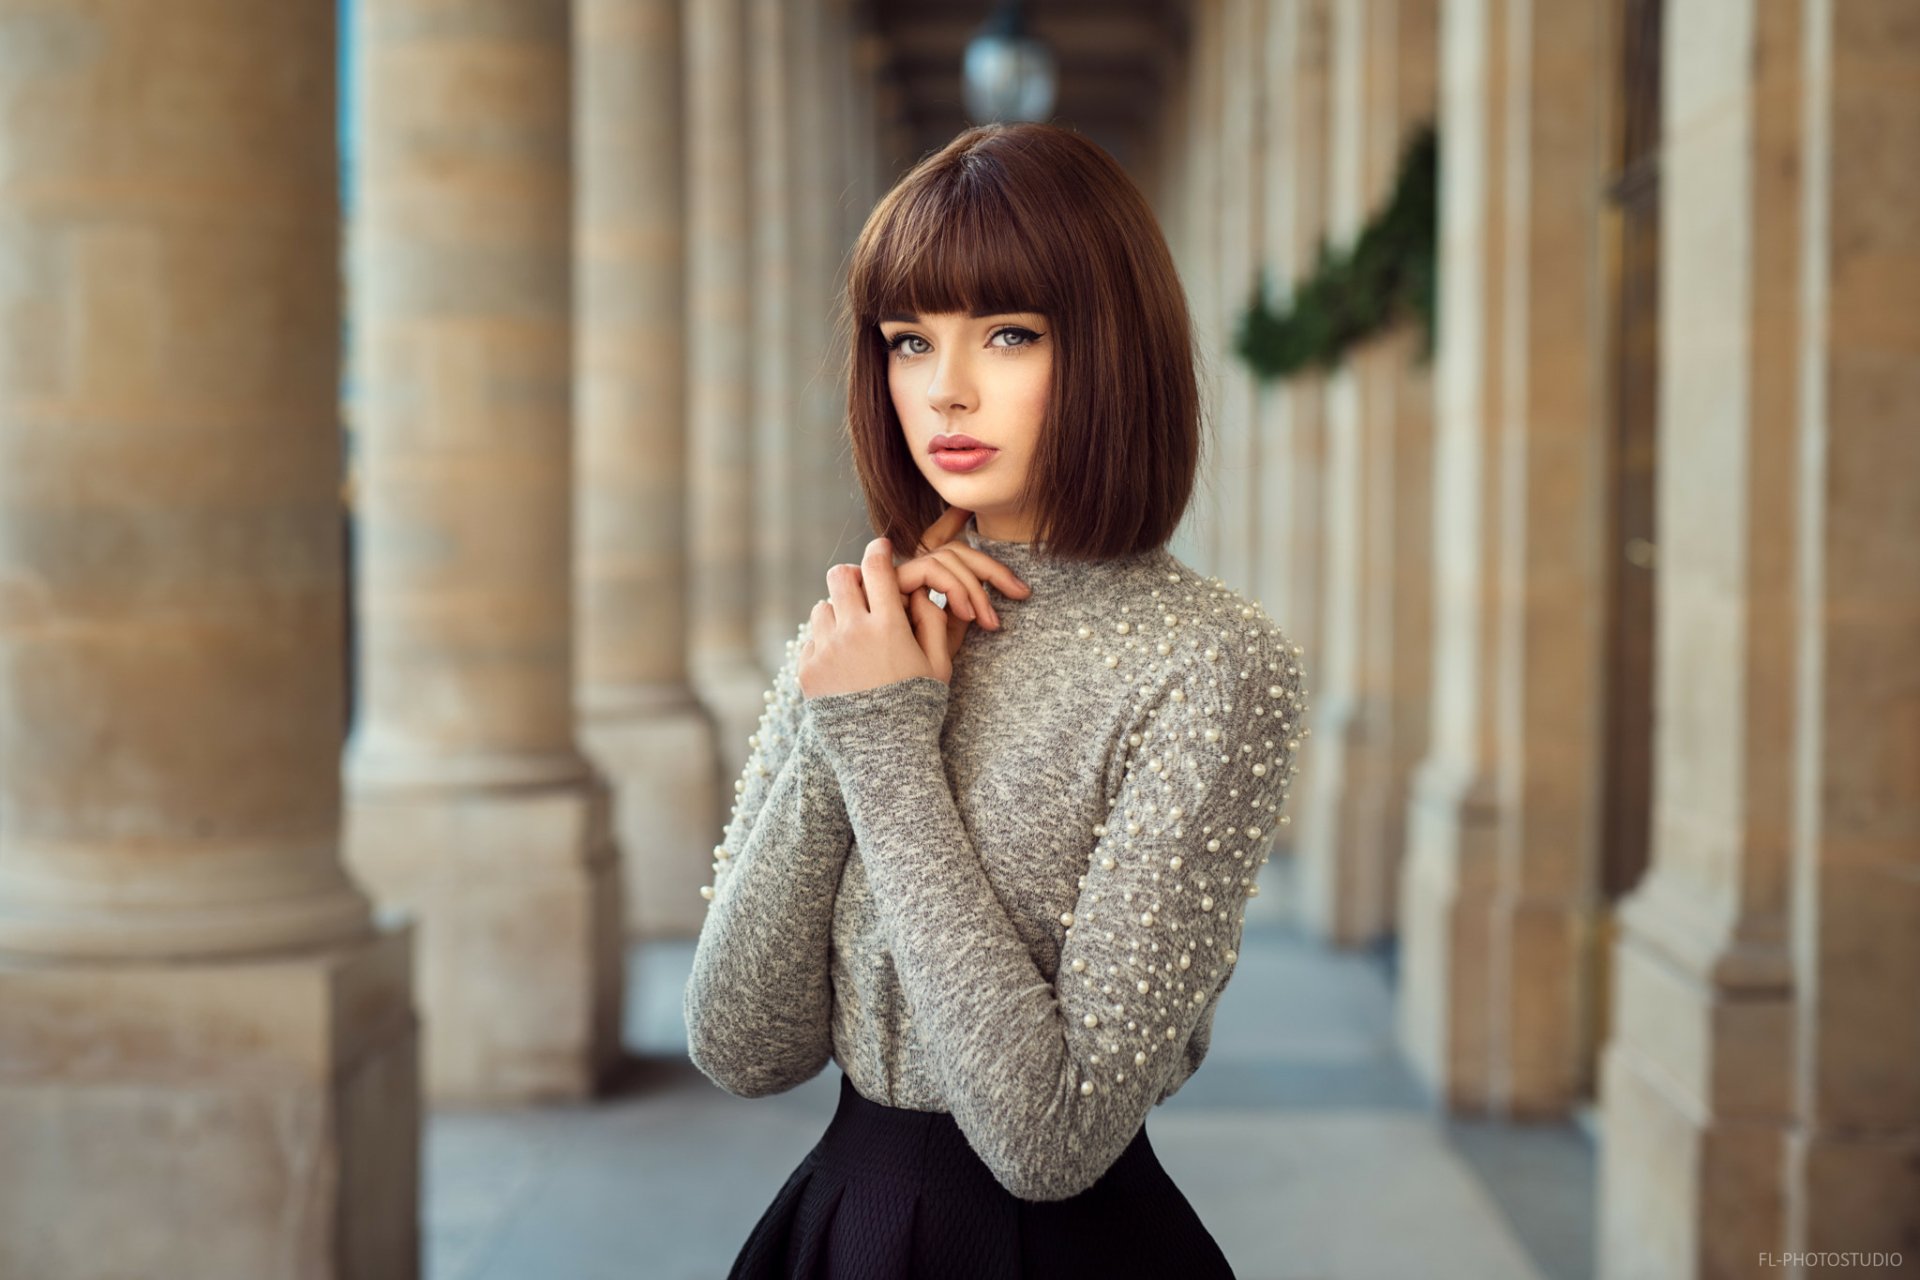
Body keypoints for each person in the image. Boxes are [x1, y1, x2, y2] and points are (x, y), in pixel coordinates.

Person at [683, 120, 1310, 1279]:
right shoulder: (861, 630)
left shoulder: (1210, 664)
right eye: (909, 341)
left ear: (1113, 348)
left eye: (1009, 333)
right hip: (839, 1227)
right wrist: (851, 702)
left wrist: (880, 741)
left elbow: (1048, 1133)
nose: (947, 391)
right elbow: (740, 1041)